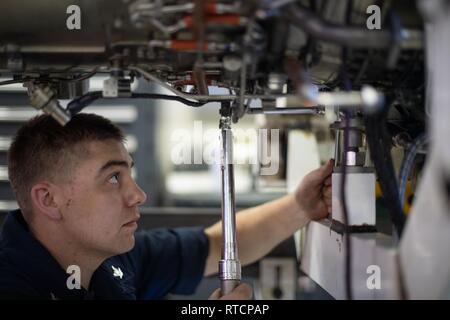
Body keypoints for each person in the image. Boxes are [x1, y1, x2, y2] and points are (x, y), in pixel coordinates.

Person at [0, 113, 333, 300]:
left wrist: (301, 207)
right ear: (49, 199)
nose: (138, 195)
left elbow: (214, 245)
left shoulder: (111, 259)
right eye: (113, 178)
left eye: (129, 172)